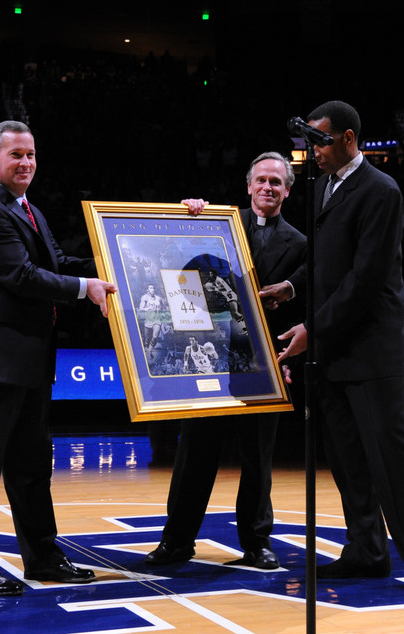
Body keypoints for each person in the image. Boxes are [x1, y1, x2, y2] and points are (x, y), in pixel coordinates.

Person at [277, 101, 404, 598]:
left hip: (371, 348)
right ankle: (367, 550)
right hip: (332, 348)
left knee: (393, 454)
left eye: (320, 141)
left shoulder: (381, 190)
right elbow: (323, 262)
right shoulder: (321, 188)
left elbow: (366, 279)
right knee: (348, 459)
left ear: (348, 139)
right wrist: (291, 289)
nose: (313, 151)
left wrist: (313, 329)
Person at [0, 120, 117, 597]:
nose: (26, 163)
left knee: (31, 466)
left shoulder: (29, 209)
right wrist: (85, 289)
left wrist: (119, 263)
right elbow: (22, 276)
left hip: (30, 361)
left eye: (31, 155)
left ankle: (42, 555)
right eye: (16, 154)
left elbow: (58, 264)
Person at [144, 152, 306, 570]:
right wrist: (188, 217)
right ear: (248, 185)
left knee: (258, 460)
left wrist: (286, 360)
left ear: (287, 191)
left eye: (276, 182)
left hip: (263, 367)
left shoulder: (301, 245)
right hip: (210, 361)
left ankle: (257, 542)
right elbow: (176, 262)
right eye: (261, 180)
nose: (267, 187)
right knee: (194, 454)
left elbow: (298, 309)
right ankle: (176, 541)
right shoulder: (214, 225)